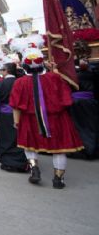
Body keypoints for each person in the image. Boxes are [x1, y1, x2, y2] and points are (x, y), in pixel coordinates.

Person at [9, 36, 84, 188]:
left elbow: (15, 105)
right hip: (57, 119)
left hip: (30, 120)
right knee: (59, 149)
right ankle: (58, 179)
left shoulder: (19, 82)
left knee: (29, 146)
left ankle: (34, 169)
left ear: (24, 64)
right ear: (41, 61)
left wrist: (16, 121)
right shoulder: (55, 78)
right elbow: (67, 98)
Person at [0, 63, 28, 172]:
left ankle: (9, 162)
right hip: (21, 114)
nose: (1, 72)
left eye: (2, 70)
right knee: (19, 137)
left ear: (6, 71)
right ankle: (23, 160)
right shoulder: (21, 82)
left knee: (6, 138)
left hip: (5, 116)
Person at [69, 59, 99, 158]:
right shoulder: (93, 72)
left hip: (76, 103)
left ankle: (84, 149)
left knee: (79, 127)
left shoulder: (71, 73)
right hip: (90, 102)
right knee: (91, 127)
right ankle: (92, 149)